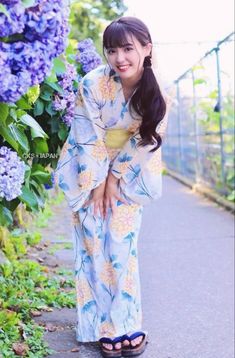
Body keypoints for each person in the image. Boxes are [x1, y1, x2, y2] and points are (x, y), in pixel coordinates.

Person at [55, 16, 171, 358]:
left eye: (128, 48)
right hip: (87, 170)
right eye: (112, 50)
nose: (120, 58)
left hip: (129, 174)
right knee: (92, 246)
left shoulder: (158, 91)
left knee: (121, 249)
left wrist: (113, 178)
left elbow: (148, 140)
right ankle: (101, 327)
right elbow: (86, 134)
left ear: (146, 49)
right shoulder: (93, 84)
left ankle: (129, 323)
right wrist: (96, 181)